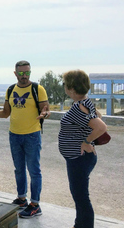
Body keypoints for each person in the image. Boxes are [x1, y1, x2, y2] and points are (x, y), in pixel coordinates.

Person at [0, 60, 50, 218]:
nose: (24, 76)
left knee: (34, 170)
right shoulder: (10, 90)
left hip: (32, 135)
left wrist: (44, 113)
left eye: (27, 72)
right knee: (19, 169)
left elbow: (46, 109)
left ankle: (35, 204)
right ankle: (22, 198)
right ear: (15, 73)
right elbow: (5, 113)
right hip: (14, 135)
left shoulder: (38, 89)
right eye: (21, 73)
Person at [59, 70, 107, 228]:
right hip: (79, 158)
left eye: (65, 84)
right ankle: (79, 225)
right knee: (79, 196)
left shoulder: (79, 107)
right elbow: (97, 116)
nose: (64, 87)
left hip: (79, 159)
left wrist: (86, 141)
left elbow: (101, 126)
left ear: (72, 88)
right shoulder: (85, 102)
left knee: (81, 198)